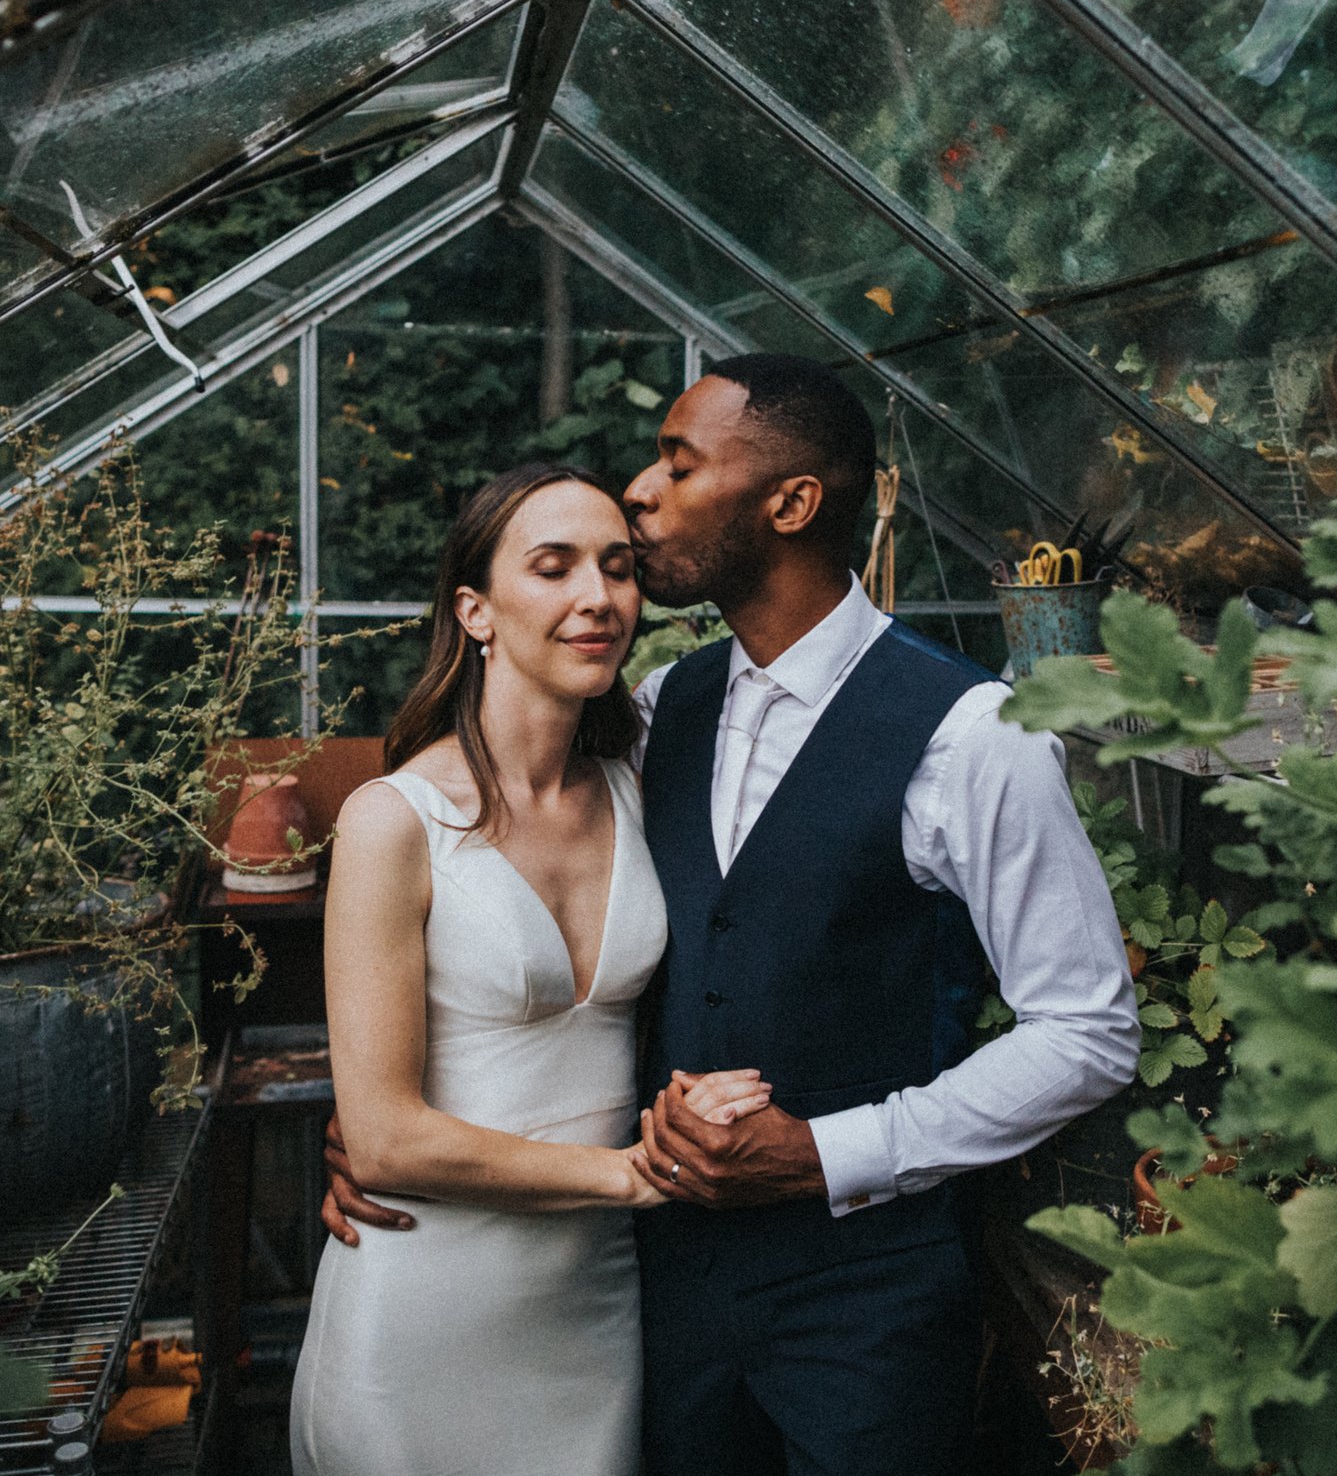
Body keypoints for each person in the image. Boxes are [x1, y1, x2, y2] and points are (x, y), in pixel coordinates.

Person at [325, 356, 1139, 1474]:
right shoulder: (661, 712)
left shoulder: (974, 734)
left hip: (865, 1305)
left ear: (791, 504)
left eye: (677, 463)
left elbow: (1088, 1029)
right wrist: (393, 1125)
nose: (641, 491)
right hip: (656, 1294)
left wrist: (830, 1152)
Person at [290, 463, 774, 1476]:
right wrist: (635, 1174)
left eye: (616, 567)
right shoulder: (393, 821)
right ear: (474, 609)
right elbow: (379, 1137)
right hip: (425, 1304)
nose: (596, 597)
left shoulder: (646, 786)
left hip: (593, 1309)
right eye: (551, 568)